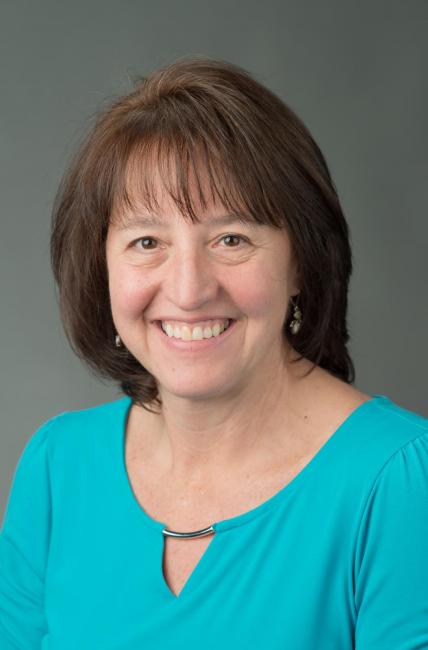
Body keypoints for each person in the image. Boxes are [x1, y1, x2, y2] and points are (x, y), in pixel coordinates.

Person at [0, 56, 427, 649]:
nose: (188, 289)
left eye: (231, 239)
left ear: (301, 260)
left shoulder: (399, 483)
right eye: (146, 241)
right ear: (102, 271)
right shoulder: (57, 466)